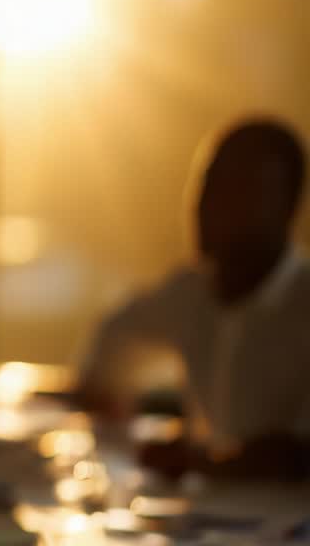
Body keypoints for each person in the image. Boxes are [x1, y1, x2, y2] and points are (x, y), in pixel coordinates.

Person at [78, 118, 310, 480]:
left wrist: (199, 461)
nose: (206, 204)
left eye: (237, 190)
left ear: (287, 206)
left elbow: (297, 455)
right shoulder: (191, 291)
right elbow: (114, 334)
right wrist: (105, 397)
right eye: (206, 183)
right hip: (210, 524)